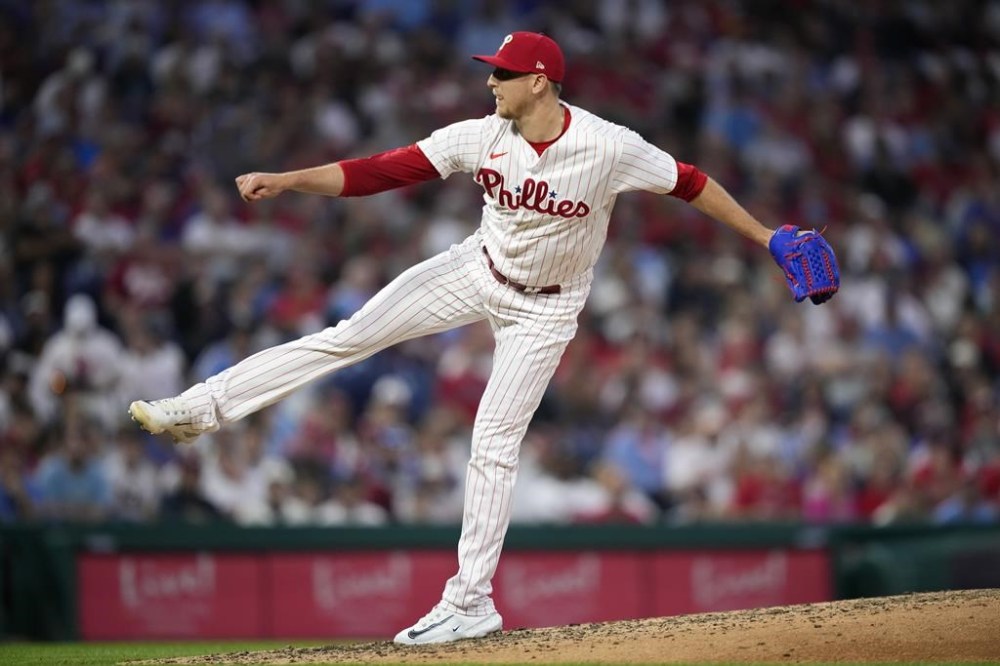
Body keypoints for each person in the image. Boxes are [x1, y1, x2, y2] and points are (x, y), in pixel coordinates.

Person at [129, 32, 785, 644]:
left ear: (538, 81)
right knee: (349, 334)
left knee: (493, 444)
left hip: (546, 311)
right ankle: (201, 409)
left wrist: (767, 237)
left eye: (501, 73)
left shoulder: (609, 145)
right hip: (478, 268)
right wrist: (292, 179)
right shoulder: (482, 135)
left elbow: (691, 182)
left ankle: (470, 601)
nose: (491, 82)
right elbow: (384, 171)